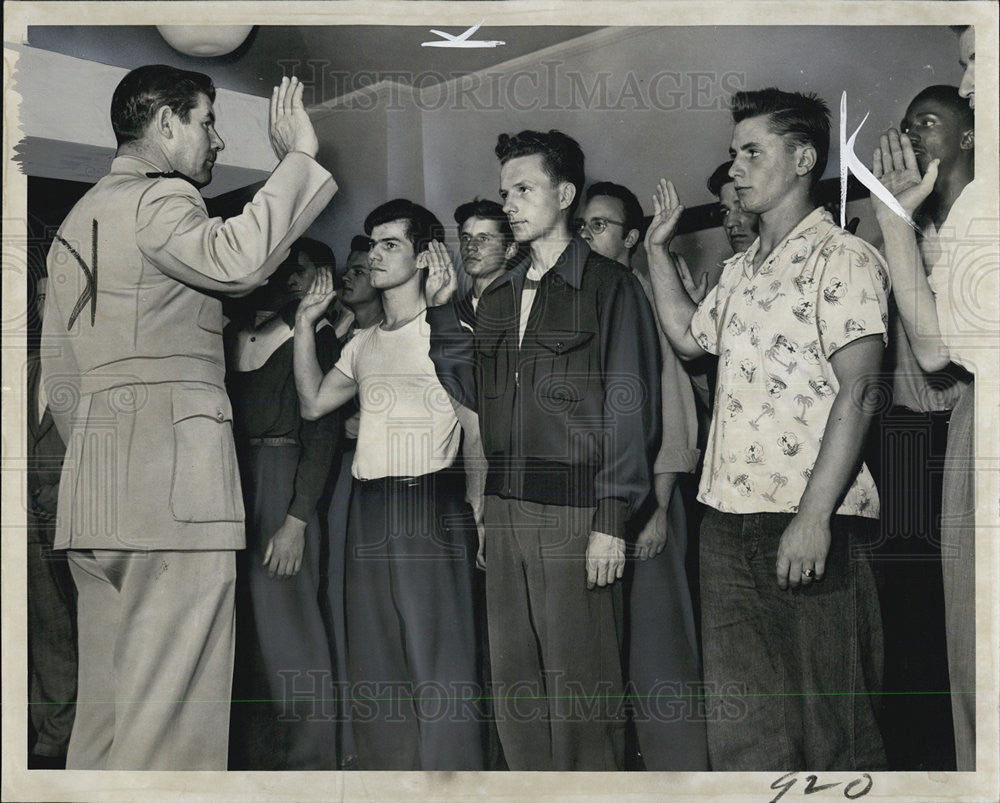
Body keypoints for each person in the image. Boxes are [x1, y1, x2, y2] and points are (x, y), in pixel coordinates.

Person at [40, 66, 337, 770]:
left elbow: (59, 382)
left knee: (108, 720)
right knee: (173, 723)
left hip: (97, 493)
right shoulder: (161, 197)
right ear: (165, 124)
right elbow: (236, 261)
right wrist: (298, 157)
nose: (216, 137)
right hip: (173, 497)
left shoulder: (73, 224)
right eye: (207, 121)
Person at [645, 89, 888, 770]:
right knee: (746, 729)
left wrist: (813, 519)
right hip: (726, 521)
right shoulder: (738, 271)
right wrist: (658, 253)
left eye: (753, 151)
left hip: (808, 520)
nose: (736, 167)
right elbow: (691, 341)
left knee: (833, 728)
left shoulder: (843, 258)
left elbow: (862, 390)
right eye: (733, 153)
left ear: (803, 157)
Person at [423, 129, 660, 770]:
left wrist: (613, 521)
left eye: (524, 189)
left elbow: (631, 411)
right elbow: (473, 393)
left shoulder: (611, 287)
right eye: (506, 193)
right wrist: (446, 316)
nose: (512, 205)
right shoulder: (496, 295)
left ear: (565, 193)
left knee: (583, 689)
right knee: (516, 686)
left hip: (576, 514)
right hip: (505, 510)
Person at [293, 199, 485, 771]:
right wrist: (305, 325)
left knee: (438, 658)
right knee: (376, 654)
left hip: (429, 501)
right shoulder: (365, 341)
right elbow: (312, 405)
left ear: (426, 255)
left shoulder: (451, 327)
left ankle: (454, 782)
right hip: (369, 502)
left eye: (390, 245)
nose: (374, 256)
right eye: (371, 244)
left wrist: (478, 510)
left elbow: (475, 427)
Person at [871, 29, 993, 767]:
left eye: (929, 121)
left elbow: (939, 354)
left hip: (965, 433)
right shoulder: (916, 222)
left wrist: (895, 224)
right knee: (931, 625)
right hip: (915, 445)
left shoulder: (977, 209)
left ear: (971, 134)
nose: (911, 133)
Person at [576, 181, 706, 770]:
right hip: (599, 503)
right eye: (583, 225)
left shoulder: (644, 295)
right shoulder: (583, 298)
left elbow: (671, 408)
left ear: (632, 238)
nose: (587, 234)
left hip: (649, 497)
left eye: (600, 225)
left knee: (660, 656)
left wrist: (656, 505)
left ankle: (680, 774)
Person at [225, 238, 342, 769]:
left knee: (288, 630)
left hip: (283, 487)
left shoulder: (315, 337)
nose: (280, 280)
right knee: (243, 635)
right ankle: (259, 760)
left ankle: (310, 761)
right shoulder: (232, 334)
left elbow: (322, 438)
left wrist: (296, 520)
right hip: (233, 486)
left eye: (292, 272)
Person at [26, 272, 76, 769]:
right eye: (43, 300)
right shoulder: (27, 369)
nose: (49, 308)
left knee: (84, 626)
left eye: (58, 299)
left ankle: (79, 736)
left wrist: (67, 493)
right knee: (47, 628)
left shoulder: (91, 370)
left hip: (77, 518)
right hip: (29, 527)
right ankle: (50, 736)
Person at [454, 198, 518, 325]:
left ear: (510, 250)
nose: (470, 246)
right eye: (466, 238)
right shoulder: (454, 314)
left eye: (483, 238)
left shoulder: (523, 307)